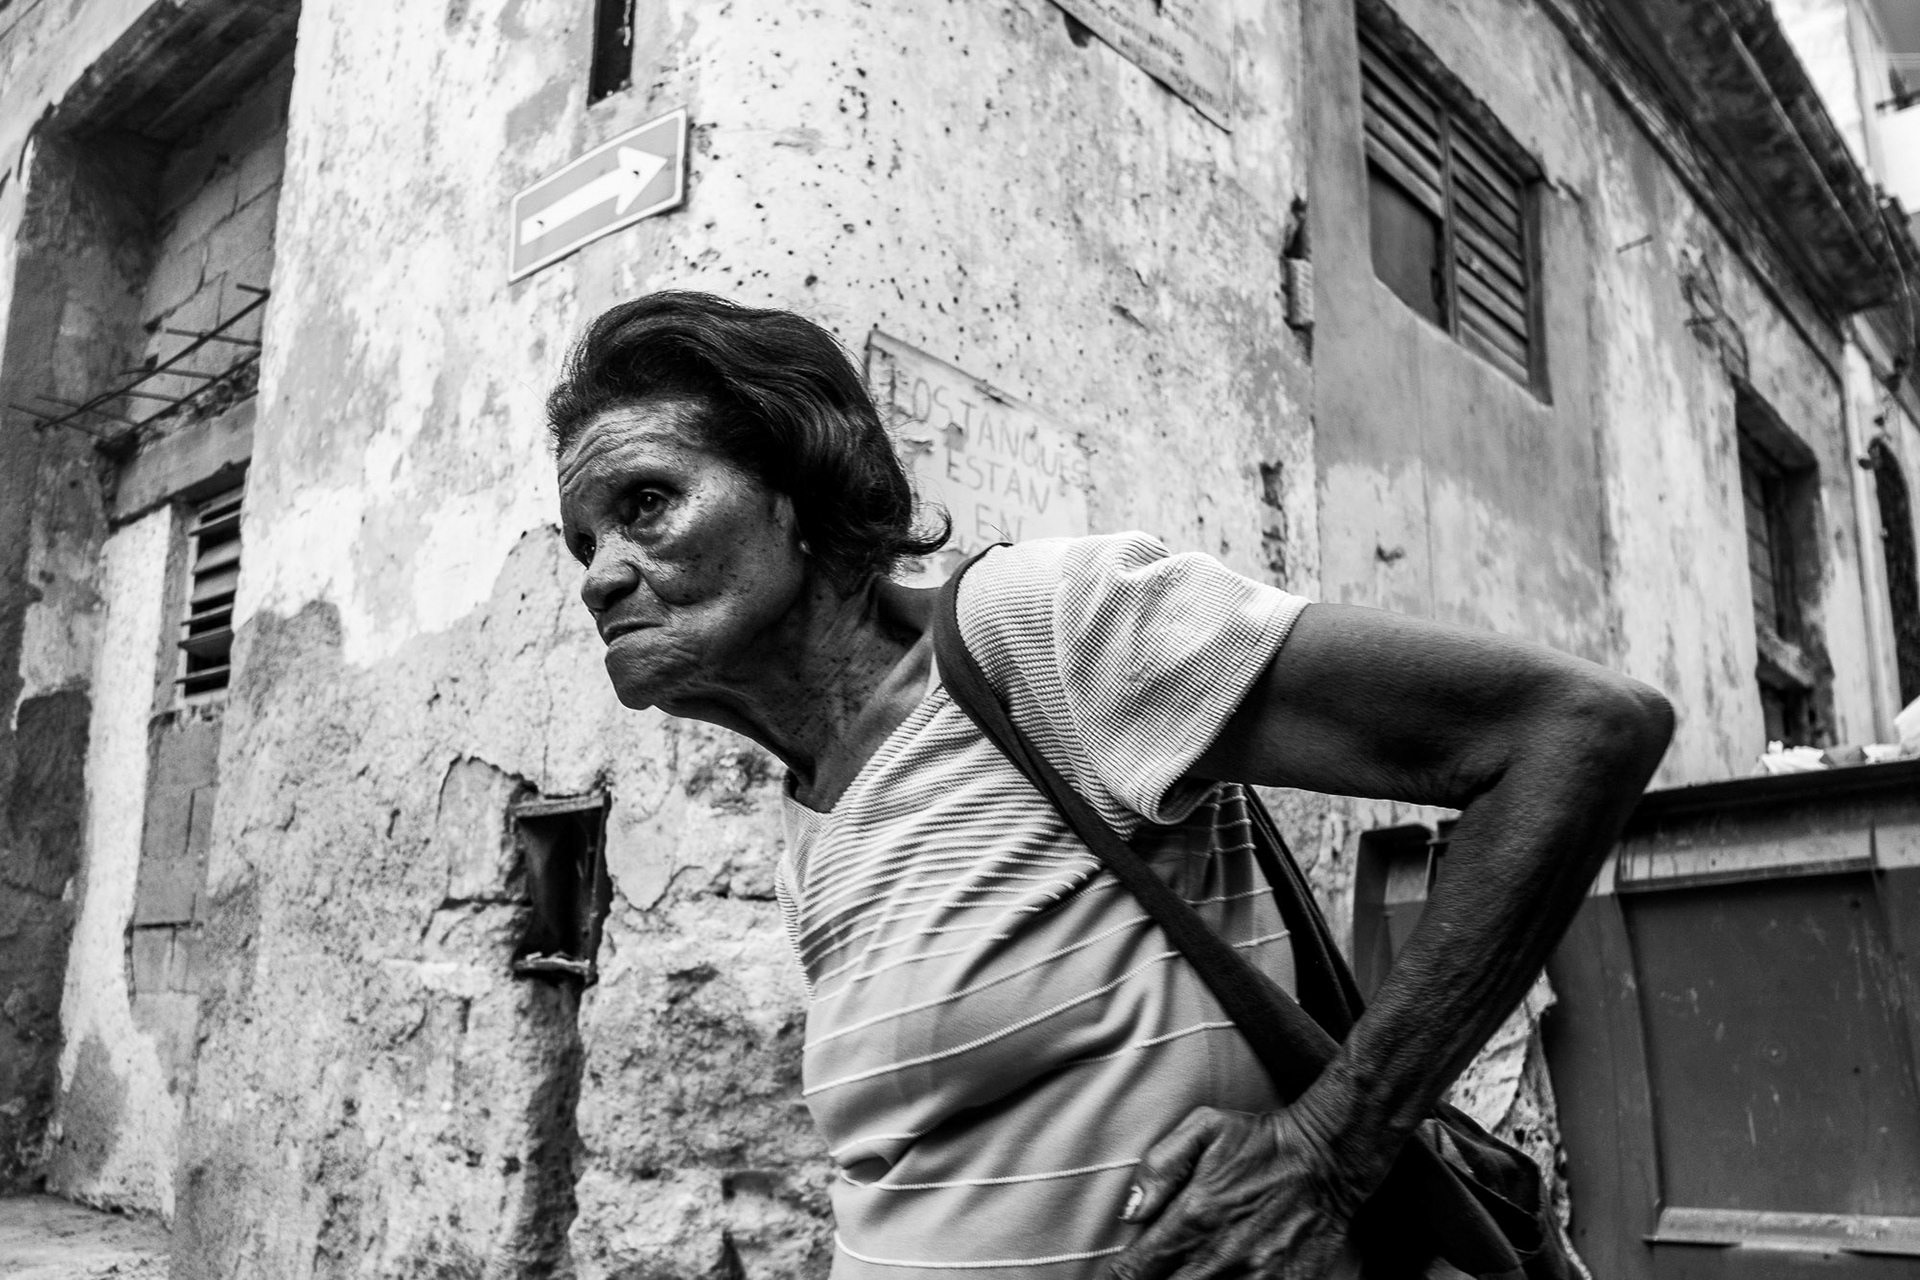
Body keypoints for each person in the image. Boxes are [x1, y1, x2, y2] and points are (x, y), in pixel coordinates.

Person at [548, 291, 1673, 1280]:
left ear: (794, 493)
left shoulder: (1037, 631)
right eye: (582, 542)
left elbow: (1574, 730)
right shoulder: (813, 807)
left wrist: (1330, 1150)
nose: (600, 576)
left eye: (644, 504)